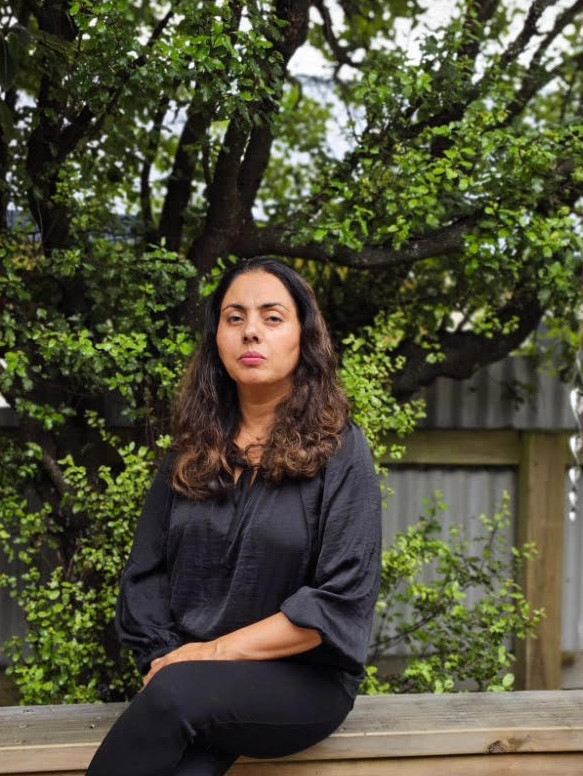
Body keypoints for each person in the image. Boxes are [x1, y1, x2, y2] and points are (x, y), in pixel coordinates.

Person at [86, 257, 382, 776]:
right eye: (234, 317)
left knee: (178, 695)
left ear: (304, 336)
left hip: (303, 681)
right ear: (216, 339)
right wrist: (166, 655)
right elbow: (146, 576)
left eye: (272, 317)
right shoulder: (191, 451)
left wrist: (205, 655)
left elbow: (337, 604)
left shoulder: (341, 451)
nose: (251, 332)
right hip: (190, 684)